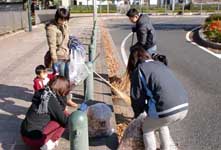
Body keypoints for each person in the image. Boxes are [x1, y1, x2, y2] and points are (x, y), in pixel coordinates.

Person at [127, 45, 189, 150]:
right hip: (184, 106)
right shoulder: (159, 64)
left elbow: (137, 98)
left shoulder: (139, 70)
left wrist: (138, 115)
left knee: (147, 127)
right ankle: (166, 148)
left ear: (133, 61)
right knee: (161, 123)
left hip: (167, 109)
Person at [21, 76, 71, 150]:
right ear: (62, 90)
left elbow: (60, 108)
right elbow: (65, 120)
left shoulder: (43, 92)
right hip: (35, 140)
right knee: (64, 118)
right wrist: (63, 96)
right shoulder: (50, 99)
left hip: (24, 135)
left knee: (59, 115)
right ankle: (50, 143)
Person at [45, 7, 70, 77]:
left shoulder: (64, 24)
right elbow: (52, 46)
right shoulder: (51, 28)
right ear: (57, 17)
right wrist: (55, 61)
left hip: (66, 55)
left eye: (65, 19)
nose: (64, 21)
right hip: (58, 58)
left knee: (67, 79)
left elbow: (66, 37)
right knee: (61, 80)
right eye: (62, 19)